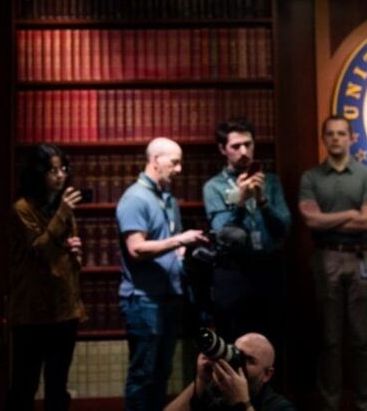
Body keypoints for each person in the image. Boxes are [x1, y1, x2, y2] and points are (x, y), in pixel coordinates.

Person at [118, 137, 208, 411]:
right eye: (175, 162)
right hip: (144, 300)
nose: (179, 169)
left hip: (169, 297)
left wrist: (187, 251)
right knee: (143, 376)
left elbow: (172, 246)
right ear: (156, 160)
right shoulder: (135, 198)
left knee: (160, 374)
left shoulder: (168, 199)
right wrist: (180, 240)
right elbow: (136, 248)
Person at [297, 115, 367, 411]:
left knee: (363, 339)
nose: (335, 138)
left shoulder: (366, 176)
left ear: (351, 139)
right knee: (329, 339)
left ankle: (364, 405)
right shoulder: (311, 178)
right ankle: (330, 404)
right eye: (330, 134)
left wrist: (328, 220)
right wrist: (350, 214)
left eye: (341, 133)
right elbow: (310, 220)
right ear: (324, 138)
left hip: (362, 258)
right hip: (326, 258)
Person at [7, 143, 86, 411]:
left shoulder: (62, 208)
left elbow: (69, 259)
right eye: (53, 170)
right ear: (38, 173)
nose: (60, 175)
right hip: (31, 313)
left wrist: (75, 251)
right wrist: (62, 213)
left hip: (64, 310)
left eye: (63, 169)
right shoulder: (22, 209)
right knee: (24, 385)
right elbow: (39, 250)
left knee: (58, 385)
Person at [201, 117, 291, 349]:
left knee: (272, 340)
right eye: (236, 146)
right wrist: (240, 203)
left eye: (248, 144)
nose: (243, 152)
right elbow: (224, 234)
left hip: (268, 268)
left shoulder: (271, 182)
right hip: (234, 271)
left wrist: (262, 202)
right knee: (234, 340)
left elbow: (284, 227)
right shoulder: (214, 187)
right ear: (223, 149)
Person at [163, 333, 295, 411]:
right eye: (236, 354)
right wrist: (201, 380)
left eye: (249, 360)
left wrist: (242, 403)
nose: (238, 364)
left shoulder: (278, 406)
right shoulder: (213, 391)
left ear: (267, 374)